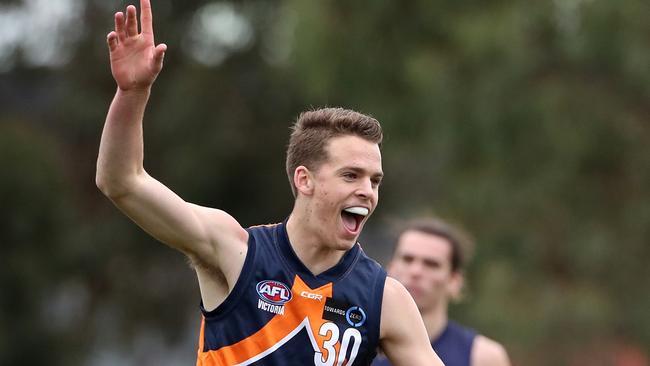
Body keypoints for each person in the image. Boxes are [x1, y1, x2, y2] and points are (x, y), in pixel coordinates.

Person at [96, 1, 444, 365]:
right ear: (304, 180)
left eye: (375, 180)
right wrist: (132, 93)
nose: (367, 192)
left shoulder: (384, 298)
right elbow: (122, 182)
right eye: (351, 175)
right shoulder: (236, 252)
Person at [371, 218, 511, 366]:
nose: (415, 271)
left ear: (455, 281)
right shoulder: (358, 340)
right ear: (390, 268)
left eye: (431, 264)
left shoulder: (483, 356)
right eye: (407, 259)